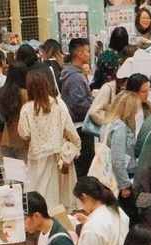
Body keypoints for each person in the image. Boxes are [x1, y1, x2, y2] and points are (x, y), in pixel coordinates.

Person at [18, 73, 80, 211]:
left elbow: (24, 133)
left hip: (37, 156)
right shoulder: (59, 104)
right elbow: (70, 129)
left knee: (38, 190)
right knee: (58, 195)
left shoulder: (27, 108)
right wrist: (76, 147)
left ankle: (38, 216)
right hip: (58, 156)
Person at [104, 91, 142, 223]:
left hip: (111, 177)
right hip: (123, 178)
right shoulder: (120, 128)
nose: (136, 112)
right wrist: (124, 185)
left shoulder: (108, 124)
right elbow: (118, 159)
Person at [59, 38, 94, 179]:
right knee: (83, 168)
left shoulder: (75, 74)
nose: (89, 54)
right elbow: (79, 104)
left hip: (77, 126)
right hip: (80, 128)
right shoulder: (75, 78)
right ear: (80, 54)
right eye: (87, 51)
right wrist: (93, 103)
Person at [0, 61, 29, 160]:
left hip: (6, 139)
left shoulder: (3, 92)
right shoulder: (25, 94)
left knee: (9, 169)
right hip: (23, 142)